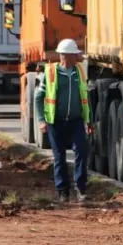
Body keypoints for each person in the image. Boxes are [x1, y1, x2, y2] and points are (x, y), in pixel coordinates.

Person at [34, 39, 92, 203]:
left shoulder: (79, 72)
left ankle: (80, 188)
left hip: (76, 121)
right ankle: (62, 191)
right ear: (65, 56)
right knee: (59, 157)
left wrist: (89, 121)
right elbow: (39, 97)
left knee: (82, 151)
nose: (78, 56)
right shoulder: (51, 73)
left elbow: (86, 98)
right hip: (56, 122)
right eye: (75, 54)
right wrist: (41, 120)